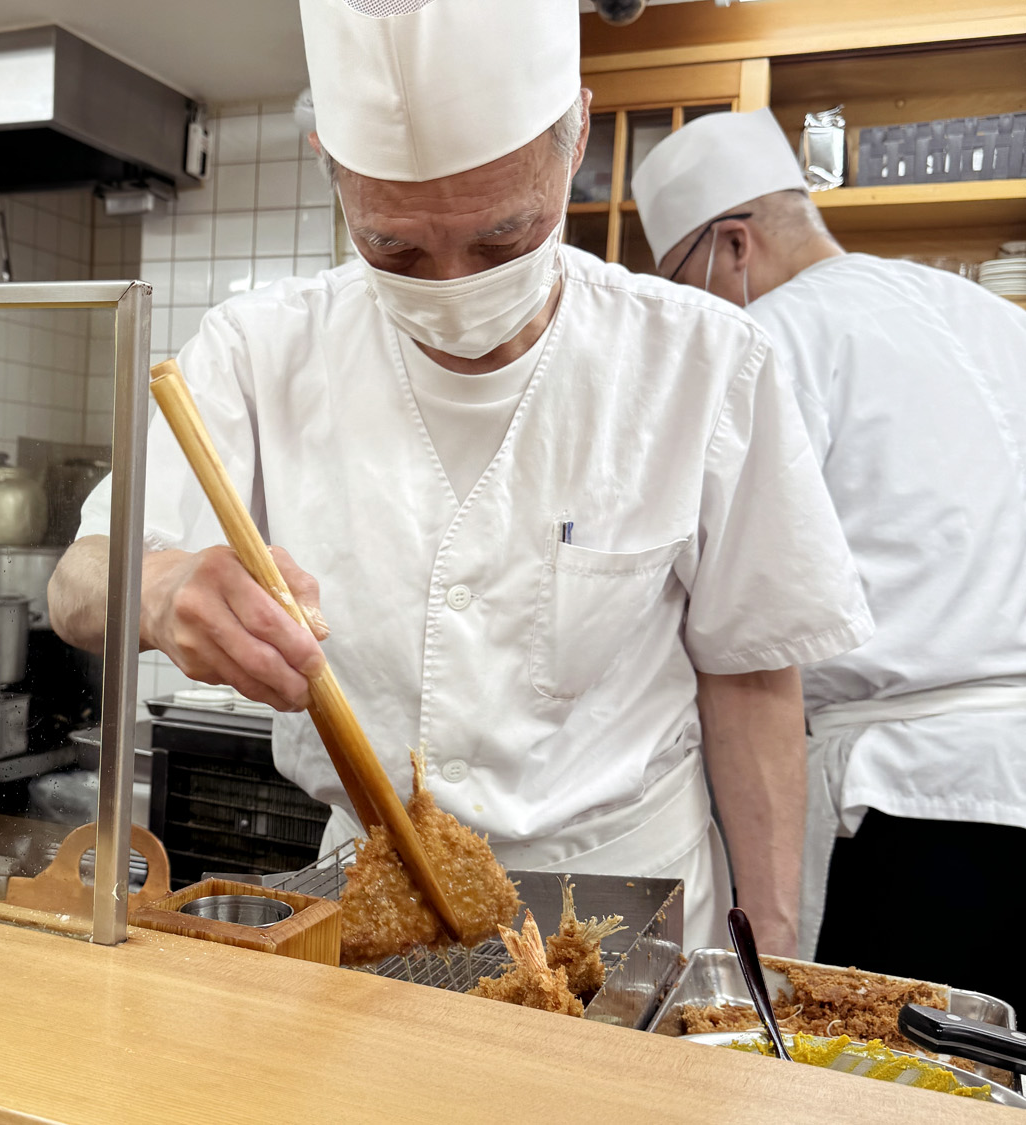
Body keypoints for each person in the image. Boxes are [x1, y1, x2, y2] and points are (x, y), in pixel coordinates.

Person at [50, 0, 872, 953]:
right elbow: (78, 581)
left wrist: (770, 965)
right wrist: (159, 589)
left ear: (574, 141)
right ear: (333, 168)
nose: (451, 286)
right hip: (369, 890)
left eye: (502, 240)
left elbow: (755, 678)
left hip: (627, 900)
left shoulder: (700, 362)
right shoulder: (259, 349)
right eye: (394, 246)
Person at [633, 108, 1026, 1007]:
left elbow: (736, 601)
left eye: (682, 279)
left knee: (884, 1083)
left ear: (733, 244)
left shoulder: (770, 341)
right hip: (1011, 779)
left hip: (910, 809)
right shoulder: (990, 317)